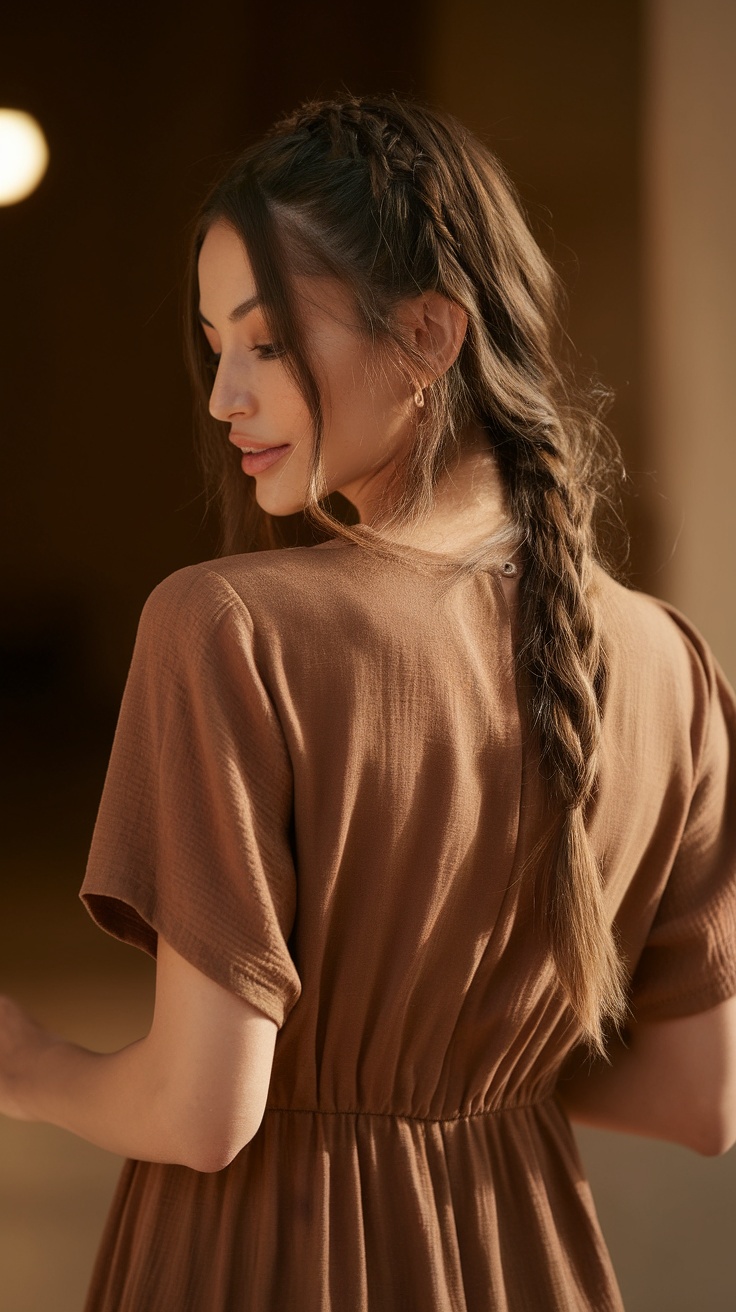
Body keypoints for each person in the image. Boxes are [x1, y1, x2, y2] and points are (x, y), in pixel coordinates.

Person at [1, 91, 735, 1311]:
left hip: (261, 1262)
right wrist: (463, 1069)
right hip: (524, 1264)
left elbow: (200, 1112)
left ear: (431, 334)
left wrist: (29, 1065)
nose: (222, 394)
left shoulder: (224, 627)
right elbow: (697, 1098)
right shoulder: (676, 664)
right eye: (213, 346)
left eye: (268, 342)